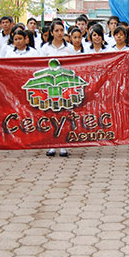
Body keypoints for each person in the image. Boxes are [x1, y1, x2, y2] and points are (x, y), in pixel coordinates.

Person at [41, 20, 75, 158]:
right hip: (49, 86)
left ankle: (63, 145)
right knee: (50, 113)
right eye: (57, 31)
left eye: (62, 30)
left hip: (65, 85)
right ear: (51, 32)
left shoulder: (70, 48)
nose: (60, 33)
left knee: (64, 113)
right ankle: (51, 144)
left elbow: (75, 65)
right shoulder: (45, 49)